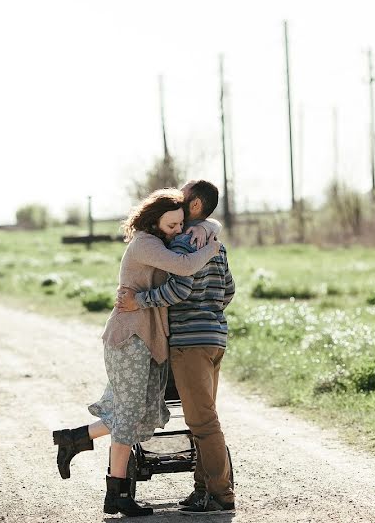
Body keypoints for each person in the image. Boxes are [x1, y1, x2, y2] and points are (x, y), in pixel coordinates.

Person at [52, 189, 221, 518]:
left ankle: (74, 438)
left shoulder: (160, 240)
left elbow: (208, 223)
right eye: (171, 225)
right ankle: (116, 494)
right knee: (129, 416)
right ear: (154, 220)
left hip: (148, 337)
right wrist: (212, 247)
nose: (176, 231)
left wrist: (207, 227)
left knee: (143, 414)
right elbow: (184, 266)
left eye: (180, 225)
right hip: (129, 335)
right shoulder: (146, 244)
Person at [117, 180, 236, 515]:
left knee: (203, 422)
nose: (178, 200)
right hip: (215, 339)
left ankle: (219, 494)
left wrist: (140, 302)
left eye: (183, 196)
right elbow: (228, 291)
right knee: (205, 417)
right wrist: (210, 311)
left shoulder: (185, 245)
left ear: (195, 205)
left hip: (190, 342)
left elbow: (178, 291)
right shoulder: (216, 245)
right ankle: (203, 490)